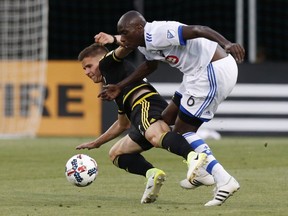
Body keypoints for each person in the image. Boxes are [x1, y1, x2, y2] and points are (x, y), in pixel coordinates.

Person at [97, 10, 245, 206]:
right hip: (194, 75)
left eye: (125, 32)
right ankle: (201, 172)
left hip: (212, 69)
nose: (123, 38)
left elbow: (199, 29)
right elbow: (150, 67)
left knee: (184, 132)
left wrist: (227, 44)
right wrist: (120, 86)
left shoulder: (159, 31)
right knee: (165, 121)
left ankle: (224, 179)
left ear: (139, 28)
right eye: (120, 34)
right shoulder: (144, 44)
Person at [75, 39, 207, 204]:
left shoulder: (107, 63)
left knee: (155, 136)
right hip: (138, 114)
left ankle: (194, 157)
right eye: (84, 69)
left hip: (145, 104)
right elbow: (123, 124)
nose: (86, 72)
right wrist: (97, 143)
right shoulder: (113, 82)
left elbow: (125, 48)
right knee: (116, 153)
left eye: (88, 66)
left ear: (102, 58)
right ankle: (152, 174)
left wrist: (114, 39)